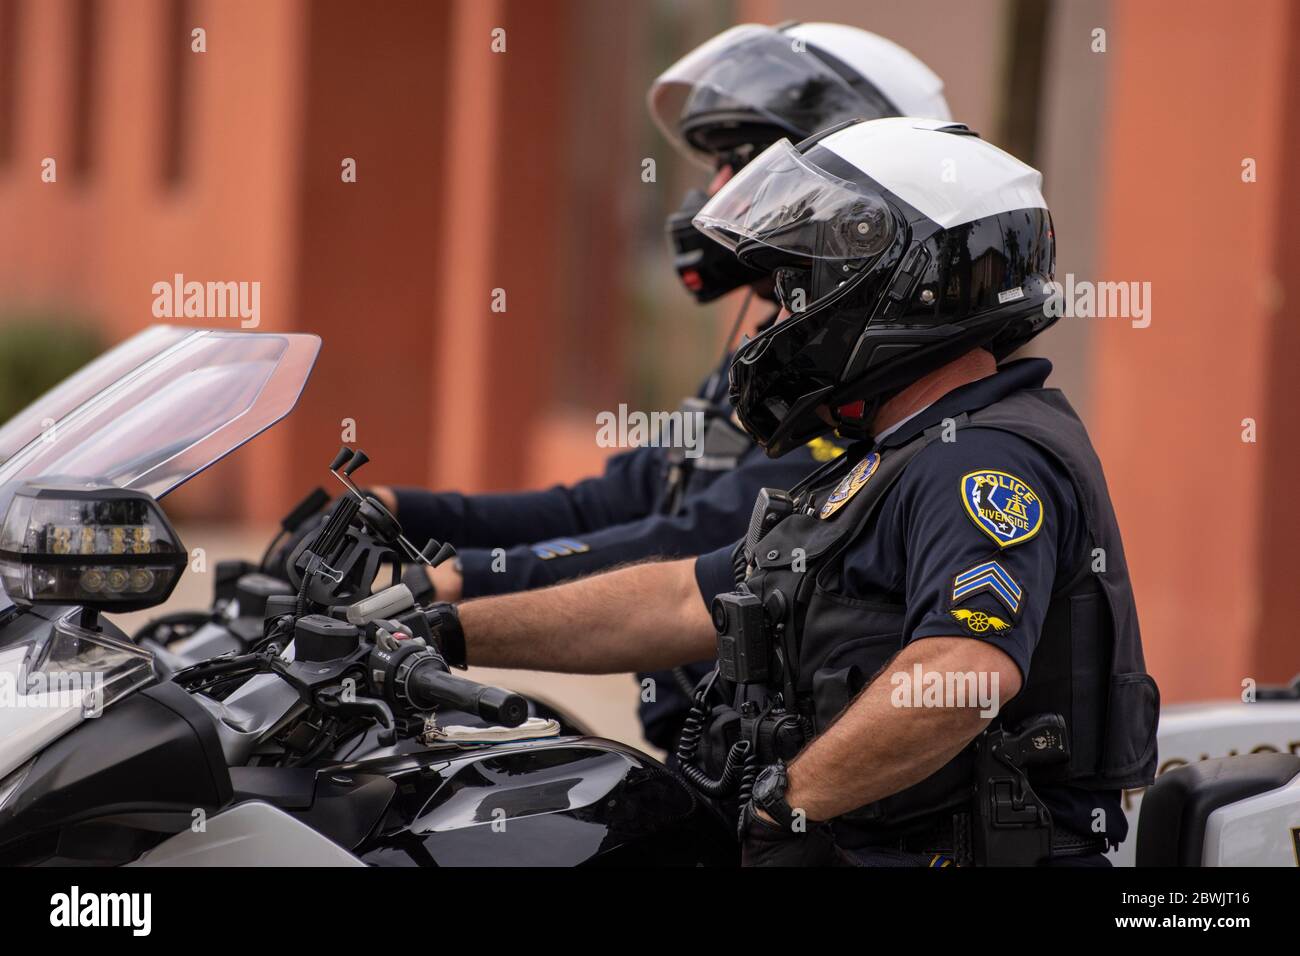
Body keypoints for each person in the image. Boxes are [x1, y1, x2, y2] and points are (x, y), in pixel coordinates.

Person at [420, 117, 1159, 866]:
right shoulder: (891, 454)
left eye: (805, 281)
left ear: (909, 282)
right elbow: (680, 600)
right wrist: (445, 630)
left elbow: (963, 673)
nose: (786, 311)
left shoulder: (977, 460)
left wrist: (788, 804)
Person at [359, 23, 954, 752]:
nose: (709, 195)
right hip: (706, 751)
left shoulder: (856, 378)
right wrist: (398, 513)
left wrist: (458, 587)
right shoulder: (769, 355)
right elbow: (622, 497)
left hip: (784, 775)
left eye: (736, 166)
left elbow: (701, 543)